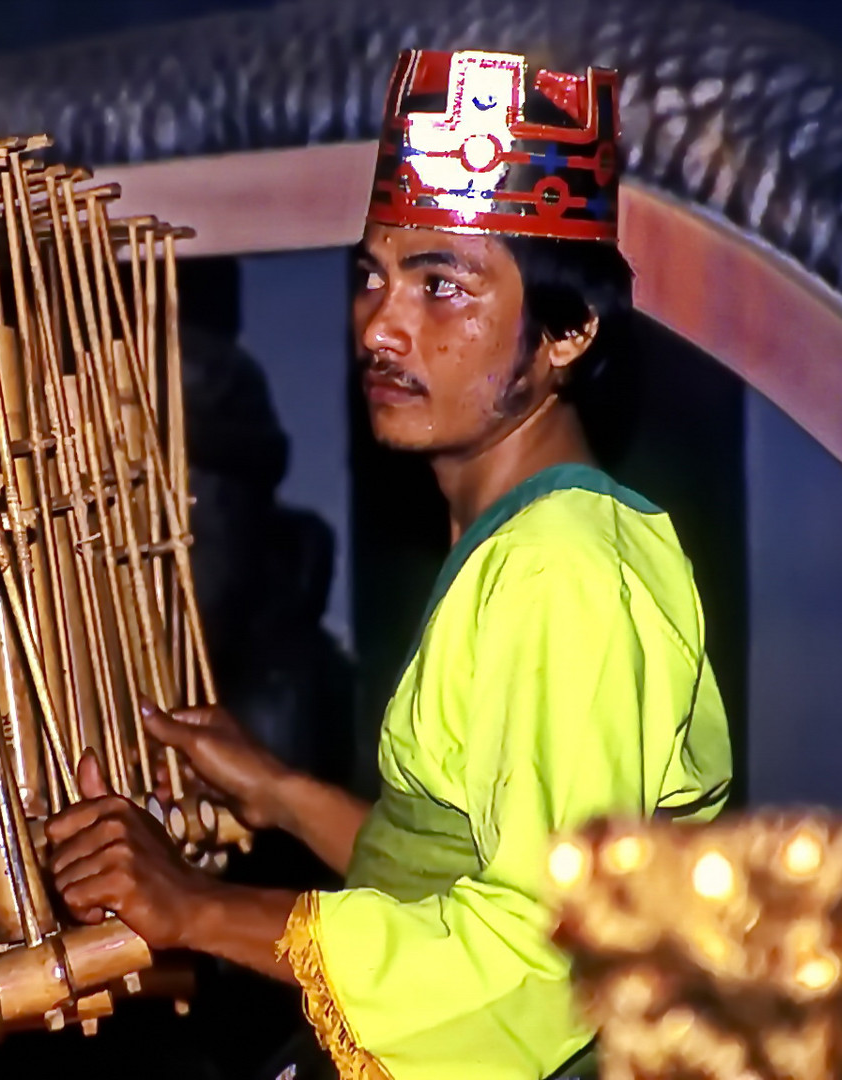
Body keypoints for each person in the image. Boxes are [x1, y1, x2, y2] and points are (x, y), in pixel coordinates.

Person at [43, 47, 733, 1080]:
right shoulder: (516, 541)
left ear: (569, 331)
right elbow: (456, 859)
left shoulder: (561, 568)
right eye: (372, 275)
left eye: (441, 284)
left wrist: (199, 910)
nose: (381, 323)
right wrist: (279, 792)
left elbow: (542, 952)